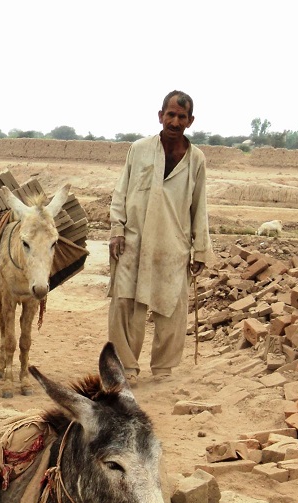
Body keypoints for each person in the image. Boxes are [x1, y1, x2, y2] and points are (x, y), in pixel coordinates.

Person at [108, 90, 211, 381]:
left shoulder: (196, 159)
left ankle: (163, 368)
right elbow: (121, 191)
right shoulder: (139, 149)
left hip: (173, 243)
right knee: (124, 303)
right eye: (171, 114)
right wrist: (117, 230)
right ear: (160, 116)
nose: (175, 122)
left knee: (171, 307)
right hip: (133, 239)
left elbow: (200, 205)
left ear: (191, 121)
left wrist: (200, 249)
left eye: (182, 116)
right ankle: (125, 367)